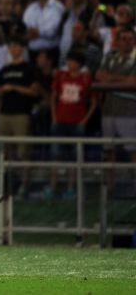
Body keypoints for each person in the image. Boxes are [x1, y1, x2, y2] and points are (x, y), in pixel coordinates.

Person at [47, 48, 96, 199]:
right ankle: (52, 186)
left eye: (72, 61)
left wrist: (84, 120)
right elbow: (54, 96)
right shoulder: (61, 76)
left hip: (77, 123)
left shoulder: (86, 78)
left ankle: (70, 188)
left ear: (79, 64)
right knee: (56, 155)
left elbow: (93, 102)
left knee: (75, 157)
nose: (69, 63)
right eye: (68, 60)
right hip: (60, 121)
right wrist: (54, 117)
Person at [0, 35, 40, 197]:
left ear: (22, 49)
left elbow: (34, 91)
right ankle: (7, 184)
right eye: (11, 46)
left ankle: (24, 183)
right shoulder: (4, 70)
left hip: (21, 113)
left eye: (16, 46)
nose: (13, 49)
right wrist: (2, 91)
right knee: (5, 152)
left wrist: (14, 87)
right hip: (4, 114)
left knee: (23, 151)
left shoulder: (29, 69)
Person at [95, 26, 136, 190]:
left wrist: (110, 80)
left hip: (129, 110)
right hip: (108, 109)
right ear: (117, 41)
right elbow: (99, 76)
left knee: (133, 149)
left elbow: (133, 82)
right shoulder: (110, 56)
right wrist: (122, 80)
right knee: (108, 150)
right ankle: (109, 187)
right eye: (123, 39)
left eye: (130, 39)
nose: (126, 42)